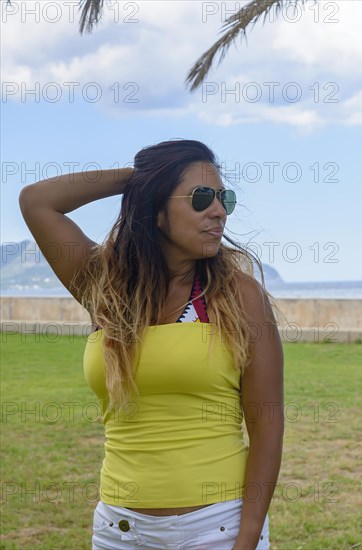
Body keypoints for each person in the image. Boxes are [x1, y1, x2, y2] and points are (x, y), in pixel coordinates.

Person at [19, 139, 284, 550]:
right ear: (158, 209)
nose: (218, 211)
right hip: (120, 532)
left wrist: (247, 538)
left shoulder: (239, 296)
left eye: (223, 198)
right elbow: (38, 201)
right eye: (200, 198)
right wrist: (142, 180)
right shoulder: (105, 287)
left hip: (217, 529)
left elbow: (267, 428)